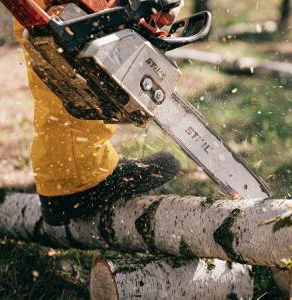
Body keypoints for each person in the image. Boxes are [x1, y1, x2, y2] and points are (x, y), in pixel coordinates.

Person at [13, 0, 182, 226]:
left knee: (51, 29)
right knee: (76, 23)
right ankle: (78, 177)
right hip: (77, 176)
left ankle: (64, 174)